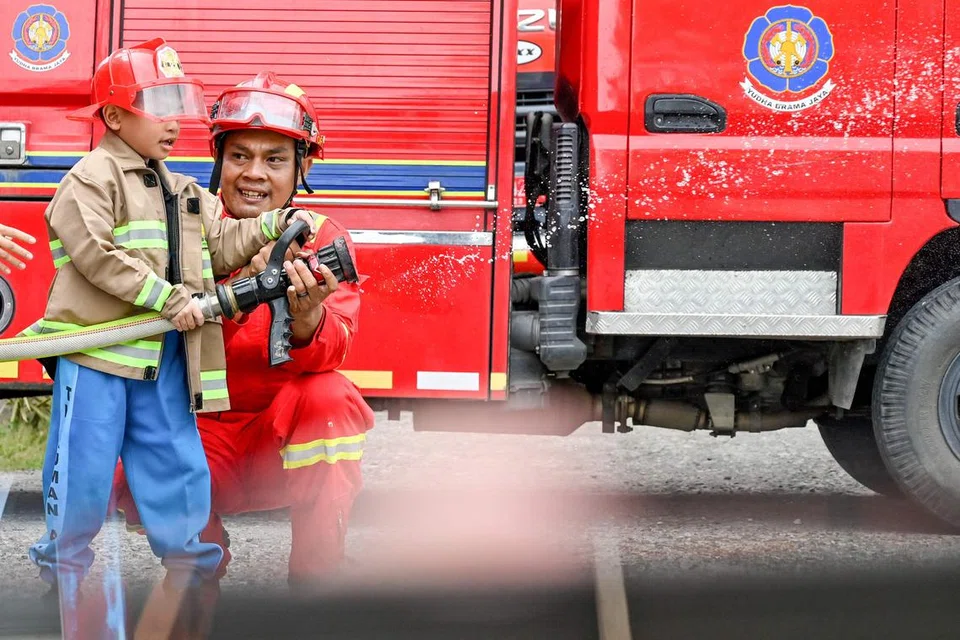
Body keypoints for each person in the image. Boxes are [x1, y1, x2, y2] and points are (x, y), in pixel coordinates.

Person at [24, 40, 317, 632]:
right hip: (99, 359)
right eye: (158, 105)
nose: (174, 120)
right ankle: (66, 581)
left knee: (178, 472)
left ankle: (189, 579)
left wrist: (272, 224)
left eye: (177, 103)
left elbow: (224, 242)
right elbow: (96, 257)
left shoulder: (182, 190)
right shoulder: (89, 180)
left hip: (164, 362)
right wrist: (168, 297)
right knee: (81, 481)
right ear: (112, 116)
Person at [112, 72, 375, 588]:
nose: (254, 174)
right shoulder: (179, 233)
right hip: (198, 437)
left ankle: (317, 578)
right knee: (135, 452)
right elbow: (148, 346)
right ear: (218, 161)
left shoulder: (319, 239)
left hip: (275, 444)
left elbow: (337, 346)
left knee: (330, 398)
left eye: (274, 159)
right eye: (239, 156)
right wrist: (238, 291)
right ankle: (199, 566)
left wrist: (306, 319)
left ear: (303, 167)